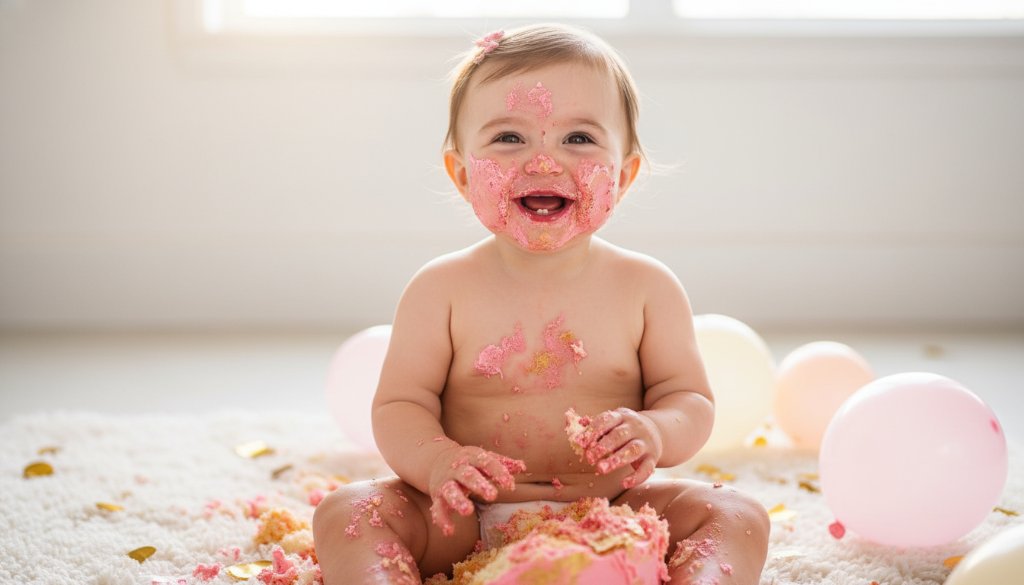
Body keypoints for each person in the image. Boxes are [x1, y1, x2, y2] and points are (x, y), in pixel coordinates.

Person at [313, 23, 770, 585]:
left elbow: (690, 399)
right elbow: (398, 406)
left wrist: (654, 430)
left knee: (736, 514)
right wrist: (438, 463)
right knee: (349, 511)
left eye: (578, 139)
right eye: (509, 138)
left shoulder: (647, 287)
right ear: (461, 174)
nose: (544, 163)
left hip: (614, 514)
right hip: (463, 518)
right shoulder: (441, 289)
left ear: (623, 176)